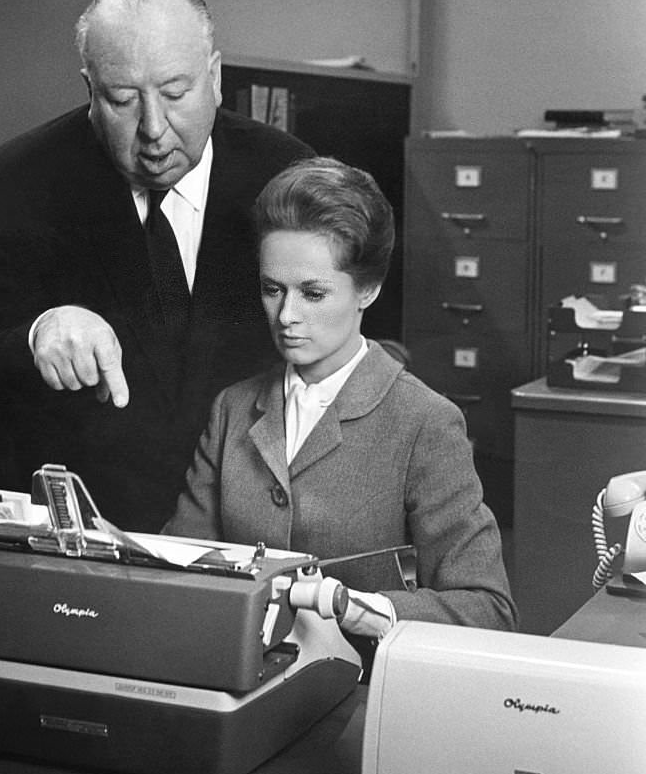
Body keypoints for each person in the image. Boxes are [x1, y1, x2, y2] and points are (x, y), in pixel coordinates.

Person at [0, 0, 312, 531]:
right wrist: (40, 332)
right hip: (79, 527)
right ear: (90, 89)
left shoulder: (286, 173)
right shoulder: (17, 179)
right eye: (123, 100)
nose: (154, 129)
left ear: (216, 78)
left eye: (176, 94)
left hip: (237, 520)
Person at [163, 157, 517, 667]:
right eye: (272, 289)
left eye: (312, 293)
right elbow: (181, 566)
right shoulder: (233, 409)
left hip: (365, 692)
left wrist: (360, 611)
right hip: (239, 680)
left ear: (367, 290)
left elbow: (489, 609)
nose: (286, 315)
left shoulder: (423, 422)